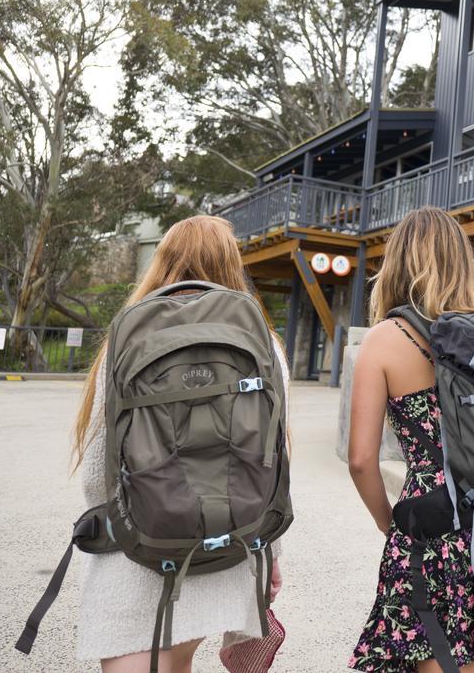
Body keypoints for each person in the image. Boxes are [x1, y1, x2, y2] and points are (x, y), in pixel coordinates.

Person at [72, 215, 289, 672]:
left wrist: (115, 524)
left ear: (162, 262)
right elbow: (273, 462)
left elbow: (97, 472)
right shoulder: (265, 343)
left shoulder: (128, 336)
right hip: (229, 547)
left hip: (140, 551)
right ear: (233, 264)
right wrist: (270, 553)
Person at [347, 207, 474, 672]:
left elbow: (361, 459)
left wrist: (389, 524)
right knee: (459, 652)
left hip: (432, 517)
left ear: (397, 261)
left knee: (433, 651)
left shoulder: (385, 339)